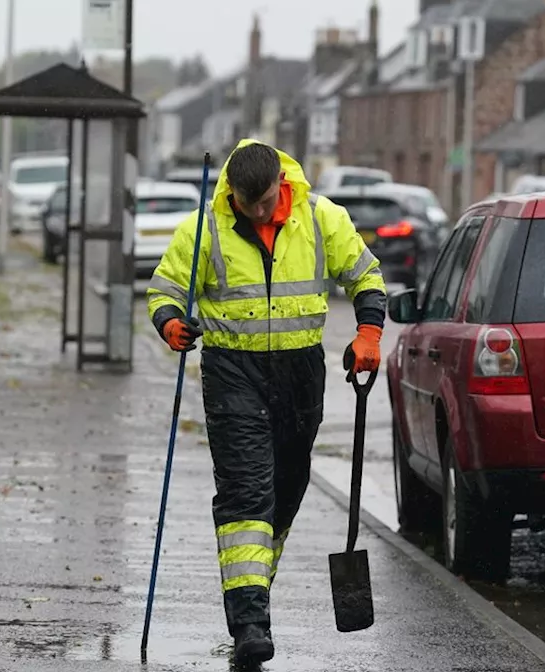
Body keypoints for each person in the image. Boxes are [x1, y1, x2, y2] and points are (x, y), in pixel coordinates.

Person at [147, 139, 387, 665]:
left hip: (300, 376)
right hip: (233, 373)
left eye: (265, 201)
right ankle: (251, 623)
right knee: (246, 493)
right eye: (247, 203)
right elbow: (164, 288)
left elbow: (365, 276)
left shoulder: (322, 218)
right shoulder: (204, 229)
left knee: (287, 487)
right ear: (231, 191)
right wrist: (170, 323)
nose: (258, 212)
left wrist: (368, 334)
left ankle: (254, 585)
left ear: (282, 181)